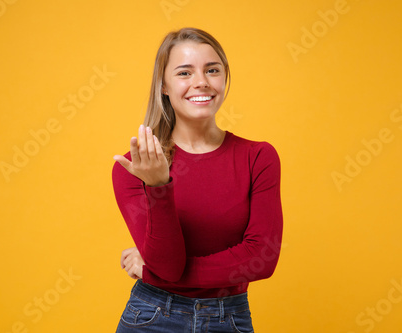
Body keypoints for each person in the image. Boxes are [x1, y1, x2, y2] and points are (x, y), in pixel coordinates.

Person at [112, 27, 283, 332]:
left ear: (224, 77)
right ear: (163, 86)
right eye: (184, 73)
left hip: (229, 318)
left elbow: (261, 257)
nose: (201, 82)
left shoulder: (258, 157)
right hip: (151, 318)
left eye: (212, 70)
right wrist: (158, 186)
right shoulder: (134, 168)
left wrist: (152, 270)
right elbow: (168, 264)